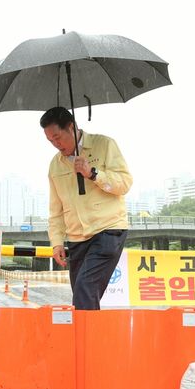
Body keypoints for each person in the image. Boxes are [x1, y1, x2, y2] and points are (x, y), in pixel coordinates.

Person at [40, 106, 133, 310]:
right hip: (77, 238)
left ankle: (85, 340)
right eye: (50, 141)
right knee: (83, 295)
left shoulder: (104, 145)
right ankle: (91, 337)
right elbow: (55, 210)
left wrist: (93, 173)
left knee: (85, 288)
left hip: (107, 230)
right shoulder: (55, 165)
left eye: (58, 137)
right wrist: (56, 242)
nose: (56, 145)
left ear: (71, 127)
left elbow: (124, 184)